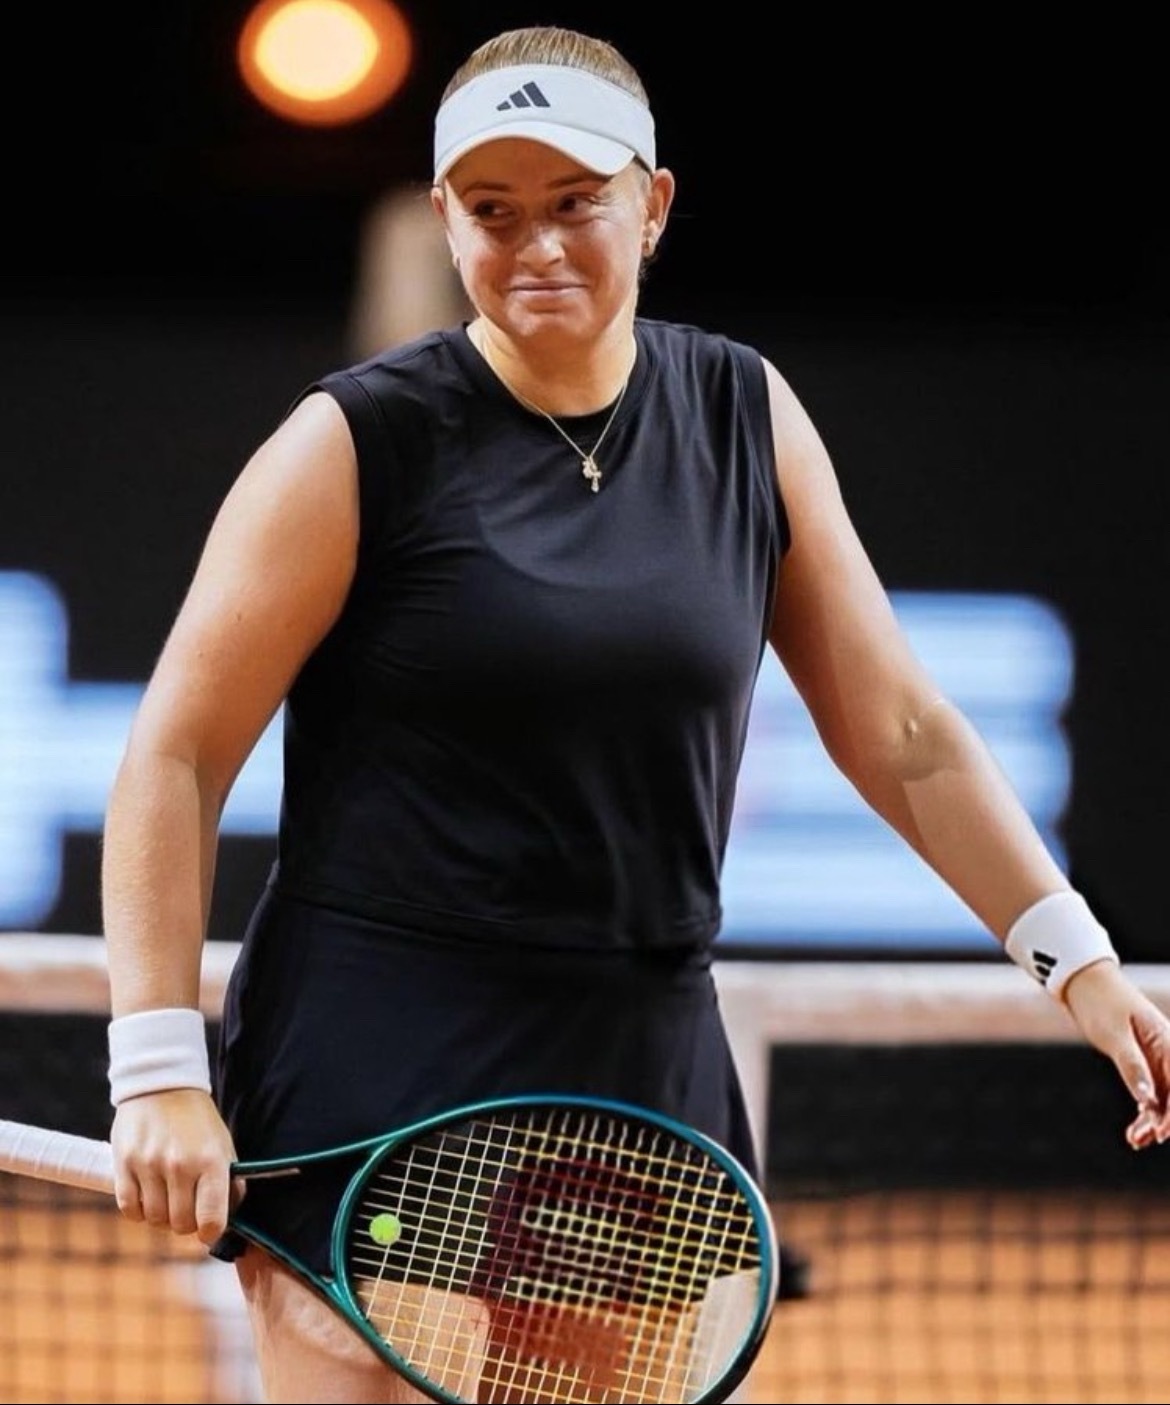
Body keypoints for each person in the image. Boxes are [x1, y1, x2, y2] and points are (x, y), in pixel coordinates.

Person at [100, 22, 1170, 1405]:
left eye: (574, 202)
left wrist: (1080, 962)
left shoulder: (743, 413)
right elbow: (178, 754)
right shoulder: (355, 443)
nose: (534, 244)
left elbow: (902, 732)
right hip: (377, 1040)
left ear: (652, 205)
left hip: (626, 1055)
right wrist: (157, 1069)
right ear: (445, 220)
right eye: (492, 211)